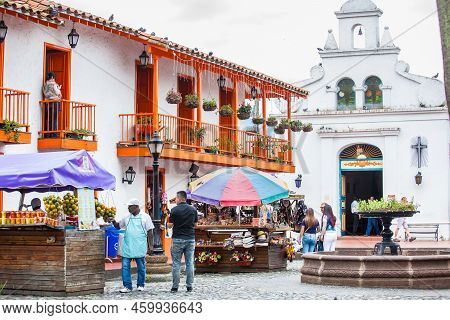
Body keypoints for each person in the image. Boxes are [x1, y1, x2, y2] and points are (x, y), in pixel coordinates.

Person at [112, 198, 154, 293]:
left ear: (136, 207)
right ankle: (127, 286)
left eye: (130, 207)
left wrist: (150, 246)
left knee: (141, 267)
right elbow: (119, 226)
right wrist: (114, 222)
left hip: (140, 245)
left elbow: (150, 232)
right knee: (125, 267)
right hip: (128, 245)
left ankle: (140, 284)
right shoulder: (126, 216)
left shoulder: (145, 217)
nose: (128, 208)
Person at [167, 191, 198, 293]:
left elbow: (170, 225)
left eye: (176, 198)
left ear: (179, 198)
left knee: (176, 263)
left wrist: (167, 224)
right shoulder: (193, 209)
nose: (175, 200)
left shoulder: (174, 210)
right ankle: (189, 286)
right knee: (189, 262)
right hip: (190, 239)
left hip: (177, 239)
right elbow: (196, 225)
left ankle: (175, 286)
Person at [42, 72, 62, 138]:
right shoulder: (54, 84)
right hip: (55, 102)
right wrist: (59, 89)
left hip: (48, 102)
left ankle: (48, 134)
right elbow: (57, 93)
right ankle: (54, 134)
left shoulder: (45, 84)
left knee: (49, 118)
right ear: (53, 77)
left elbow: (45, 93)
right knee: (55, 119)